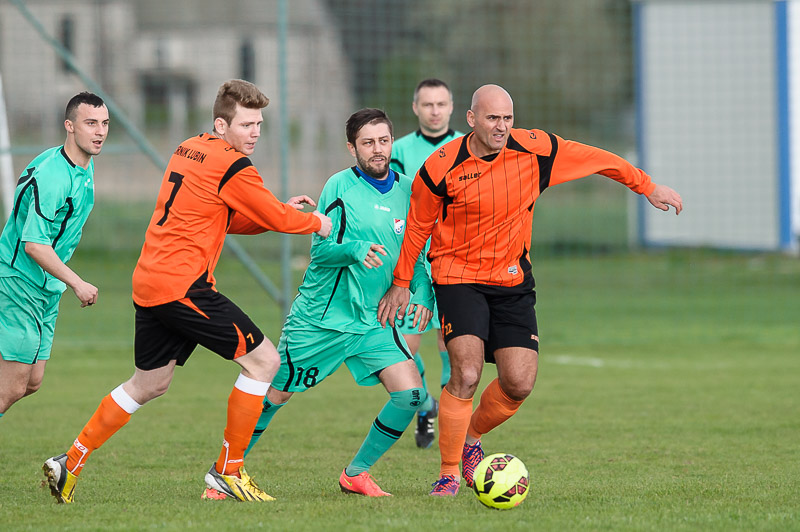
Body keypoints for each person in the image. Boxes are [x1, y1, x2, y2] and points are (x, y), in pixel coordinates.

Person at [378, 84, 683, 496]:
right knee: (466, 374)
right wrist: (401, 283)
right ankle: (448, 473)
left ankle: (470, 439)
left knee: (519, 383)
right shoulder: (442, 166)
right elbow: (417, 227)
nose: (501, 126)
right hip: (457, 277)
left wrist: (646, 186)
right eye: (492, 118)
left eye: (507, 118)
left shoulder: (536, 150)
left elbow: (598, 159)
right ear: (471, 119)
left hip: (512, 283)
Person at [42, 79, 332, 504]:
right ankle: (228, 472)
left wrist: (279, 213)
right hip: (182, 286)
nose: (255, 133)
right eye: (246, 124)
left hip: (150, 281)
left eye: (259, 124)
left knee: (149, 383)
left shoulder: (189, 148)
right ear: (221, 124)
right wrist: (316, 223)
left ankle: (70, 461)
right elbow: (273, 216)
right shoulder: (233, 164)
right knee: (264, 361)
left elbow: (222, 216)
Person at [243, 108, 434, 497]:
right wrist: (355, 249)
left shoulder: (409, 191)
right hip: (322, 320)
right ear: (352, 148)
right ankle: (225, 471)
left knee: (411, 395)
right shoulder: (339, 187)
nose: (378, 150)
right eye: (368, 143)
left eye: (384, 141)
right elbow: (321, 252)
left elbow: (416, 253)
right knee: (275, 395)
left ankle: (356, 474)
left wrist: (423, 292)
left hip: (373, 321)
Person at [0, 92, 108, 421]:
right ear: (69, 126)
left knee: (32, 382)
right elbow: (34, 245)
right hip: (19, 282)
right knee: (11, 387)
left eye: (104, 123)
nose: (100, 132)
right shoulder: (54, 177)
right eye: (91, 123)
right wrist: (78, 283)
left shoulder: (81, 165)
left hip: (46, 286)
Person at [390, 78, 463, 449]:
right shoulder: (399, 150)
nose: (435, 111)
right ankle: (425, 405)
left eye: (441, 104)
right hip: (414, 258)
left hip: (456, 256)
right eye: (428, 104)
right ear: (415, 108)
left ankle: (450, 420)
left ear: (452, 107)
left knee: (452, 345)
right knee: (402, 349)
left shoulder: (469, 144)